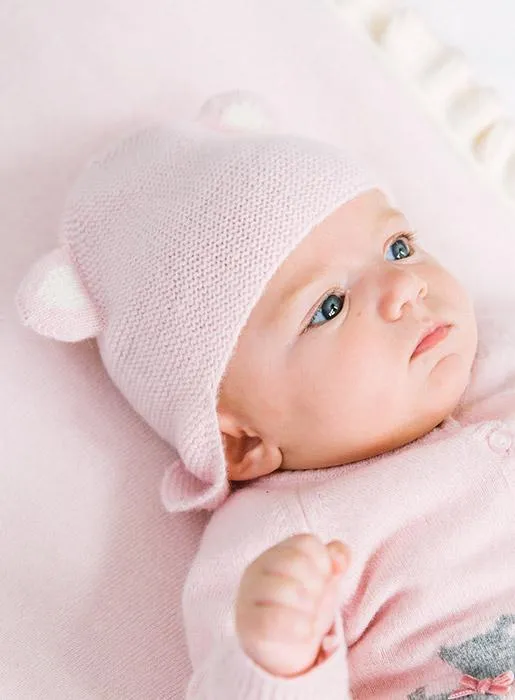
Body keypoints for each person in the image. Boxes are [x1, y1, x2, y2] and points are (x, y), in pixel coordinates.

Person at [17, 120, 515, 699]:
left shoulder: (497, 341)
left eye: (397, 248)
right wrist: (275, 661)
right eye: (329, 307)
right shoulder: (282, 544)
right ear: (244, 444)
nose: (404, 287)